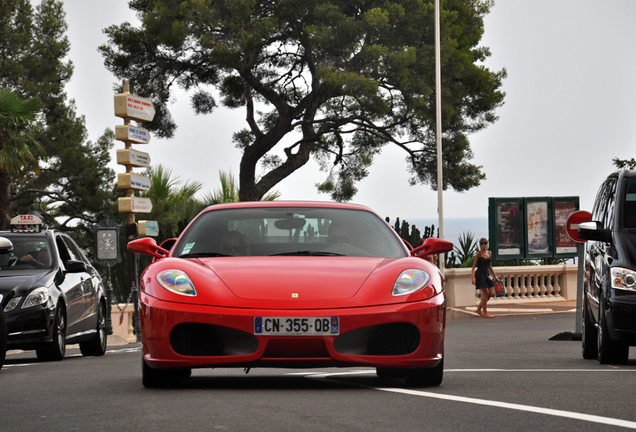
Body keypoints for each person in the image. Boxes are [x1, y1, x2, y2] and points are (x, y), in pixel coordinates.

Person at [471, 238, 499, 318]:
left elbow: (490, 266)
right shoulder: (478, 254)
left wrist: (495, 276)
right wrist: (473, 277)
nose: (483, 245)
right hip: (480, 274)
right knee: (485, 293)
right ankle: (485, 312)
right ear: (480, 245)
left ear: (487, 244)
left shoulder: (489, 253)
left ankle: (479, 309)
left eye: (485, 243)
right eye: (482, 243)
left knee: (490, 293)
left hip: (487, 274)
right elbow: (473, 266)